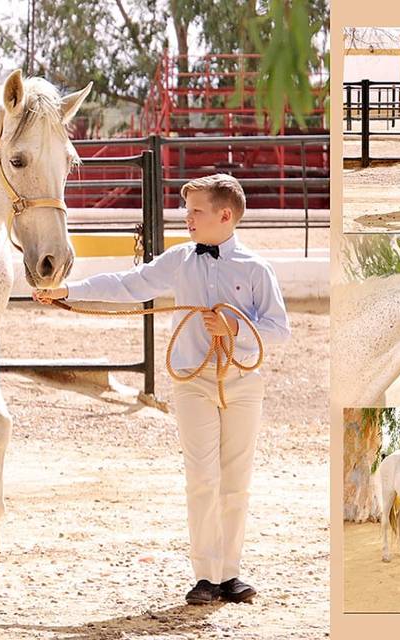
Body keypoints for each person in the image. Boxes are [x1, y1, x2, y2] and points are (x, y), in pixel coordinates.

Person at [33, 174, 290, 604]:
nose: (186, 218)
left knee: (236, 479)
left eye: (196, 211)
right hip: (192, 381)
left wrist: (235, 328)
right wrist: (68, 292)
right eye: (187, 210)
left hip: (243, 383)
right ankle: (205, 575)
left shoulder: (257, 269)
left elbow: (279, 330)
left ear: (225, 216)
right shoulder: (179, 261)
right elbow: (127, 283)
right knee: (202, 477)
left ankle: (230, 573)